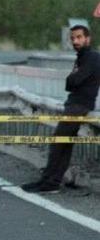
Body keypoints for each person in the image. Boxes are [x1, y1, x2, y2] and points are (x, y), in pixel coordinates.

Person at [22, 24, 100, 193]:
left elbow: (74, 81)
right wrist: (72, 78)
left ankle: (50, 183)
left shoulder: (92, 57)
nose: (75, 41)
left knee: (58, 143)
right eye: (73, 38)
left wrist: (73, 78)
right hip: (74, 104)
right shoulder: (81, 57)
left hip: (79, 106)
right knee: (63, 144)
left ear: (88, 38)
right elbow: (69, 84)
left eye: (79, 37)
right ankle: (49, 181)